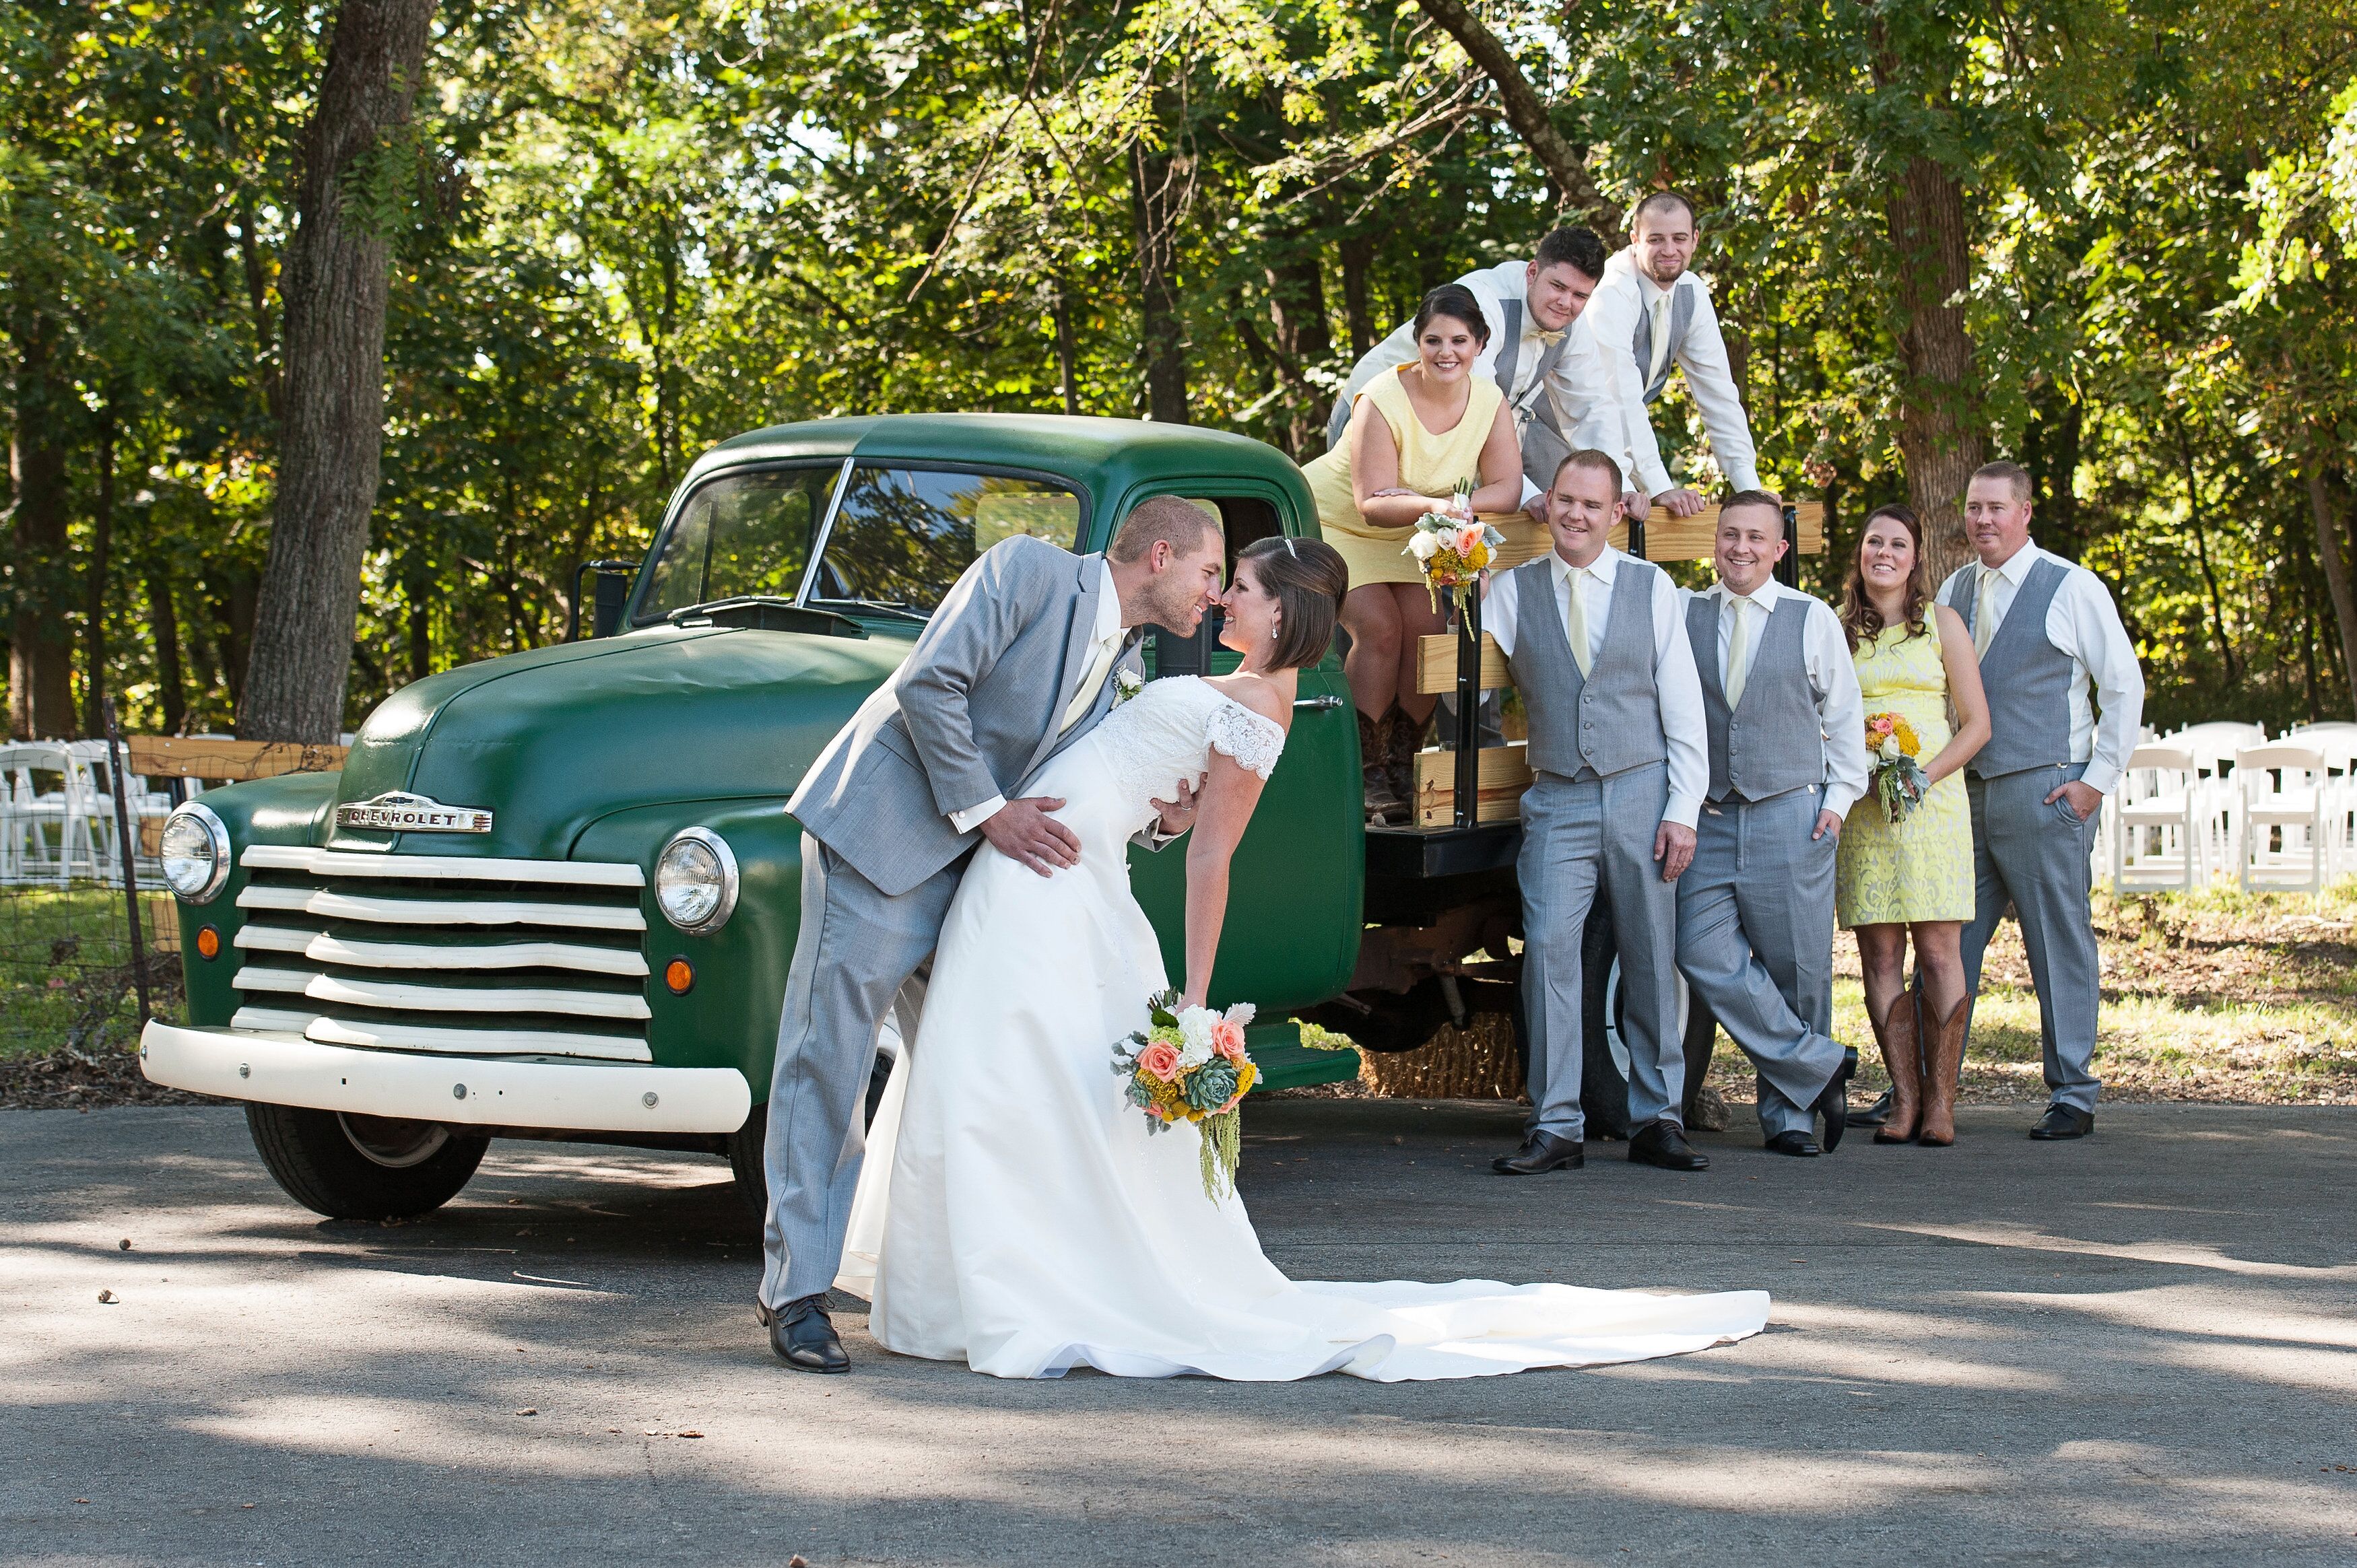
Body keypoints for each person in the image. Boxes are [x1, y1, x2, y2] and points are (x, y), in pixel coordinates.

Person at [836, 535, 1769, 1379]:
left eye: (1236, 586)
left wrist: (1197, 998)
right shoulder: (1229, 687)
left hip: (1056, 879)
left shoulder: (1256, 709)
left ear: (1280, 611)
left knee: (1004, 1073)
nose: (1222, 599)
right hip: (1049, 868)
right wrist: (1165, 801)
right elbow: (1172, 806)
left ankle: (1012, 1287)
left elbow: (1213, 860)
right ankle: (978, 1282)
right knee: (998, 1072)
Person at [758, 497, 1225, 1372]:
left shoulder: (1124, 663)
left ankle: (950, 1289)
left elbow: (1085, 787)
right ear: (1161, 554)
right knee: (830, 1061)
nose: (1214, 593)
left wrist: (1166, 820)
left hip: (981, 889)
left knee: (967, 1082)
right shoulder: (1025, 570)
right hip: (881, 842)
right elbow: (929, 683)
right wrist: (991, 810)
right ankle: (794, 1295)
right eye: (1208, 572)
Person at [1482, 450, 1713, 1177]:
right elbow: (1465, 668)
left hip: (1642, 789)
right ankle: (1554, 1125)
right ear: (1547, 503)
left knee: (1648, 951)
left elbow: (1683, 707)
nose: (1576, 515)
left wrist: (1683, 809)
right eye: (1565, 500)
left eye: (1591, 504)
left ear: (1616, 513)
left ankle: (1658, 1118)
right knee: (1547, 950)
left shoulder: (1653, 586)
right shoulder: (1510, 592)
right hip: (1555, 796)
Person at [1938, 463, 2144, 1141]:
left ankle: (2072, 1092)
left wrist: (2095, 781)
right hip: (1966, 794)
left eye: (1995, 507)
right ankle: (1922, 1085)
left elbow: (2122, 687)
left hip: (2045, 787)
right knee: (1943, 942)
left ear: (2024, 512)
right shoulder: (1952, 589)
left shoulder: (2070, 586)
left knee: (2056, 941)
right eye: (1972, 508)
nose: (1982, 520)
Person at [1674, 492, 1869, 1157]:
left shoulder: (1809, 617)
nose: (1741, 548)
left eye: (1756, 538)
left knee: (1797, 968)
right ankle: (1817, 1064)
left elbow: (1844, 717)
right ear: (1714, 539)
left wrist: (1837, 802)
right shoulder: (1682, 611)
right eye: (1730, 534)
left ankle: (1788, 1115)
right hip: (1706, 815)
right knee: (1696, 949)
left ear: (1778, 548)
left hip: (1790, 811)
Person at [1302, 285, 1529, 820]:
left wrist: (1447, 505)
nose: (1445, 352)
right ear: (1417, 342)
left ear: (1480, 344)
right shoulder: (1381, 396)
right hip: (1339, 523)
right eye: (1433, 340)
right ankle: (1363, 768)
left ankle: (1401, 760)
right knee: (1380, 628)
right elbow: (1369, 504)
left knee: (1428, 628)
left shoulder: (1489, 400)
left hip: (1418, 526)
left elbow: (1508, 487)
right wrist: (1446, 506)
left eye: (1458, 340)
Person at [1835, 504, 1989, 1147]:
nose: (1885, 553)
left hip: (1934, 805)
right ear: (1861, 552)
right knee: (1880, 954)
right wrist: (1855, 767)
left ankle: (1942, 1102)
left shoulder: (1943, 626)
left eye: (1899, 544)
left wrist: (1922, 774)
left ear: (1916, 556)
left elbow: (1978, 724)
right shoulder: (1836, 628)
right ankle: (1903, 1097)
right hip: (1865, 807)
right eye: (1875, 541)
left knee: (1938, 949)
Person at [1325, 227, 1619, 499]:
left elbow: (1592, 407)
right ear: (1532, 272)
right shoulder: (1484, 300)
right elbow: (1477, 407)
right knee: (1369, 529)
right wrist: (1524, 497)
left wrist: (1620, 488)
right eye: (1558, 286)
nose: (1566, 302)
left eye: (1580, 295)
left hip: (1437, 441)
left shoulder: (1571, 323)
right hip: (1372, 421)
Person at [1579, 192, 1762, 520]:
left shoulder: (1692, 292)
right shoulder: (1613, 292)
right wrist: (1658, 487)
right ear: (1635, 240)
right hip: (1560, 437)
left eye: (1679, 238)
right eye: (1656, 239)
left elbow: (1718, 396)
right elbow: (1619, 396)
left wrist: (1750, 491)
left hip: (1610, 449)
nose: (1669, 250)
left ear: (1695, 240)